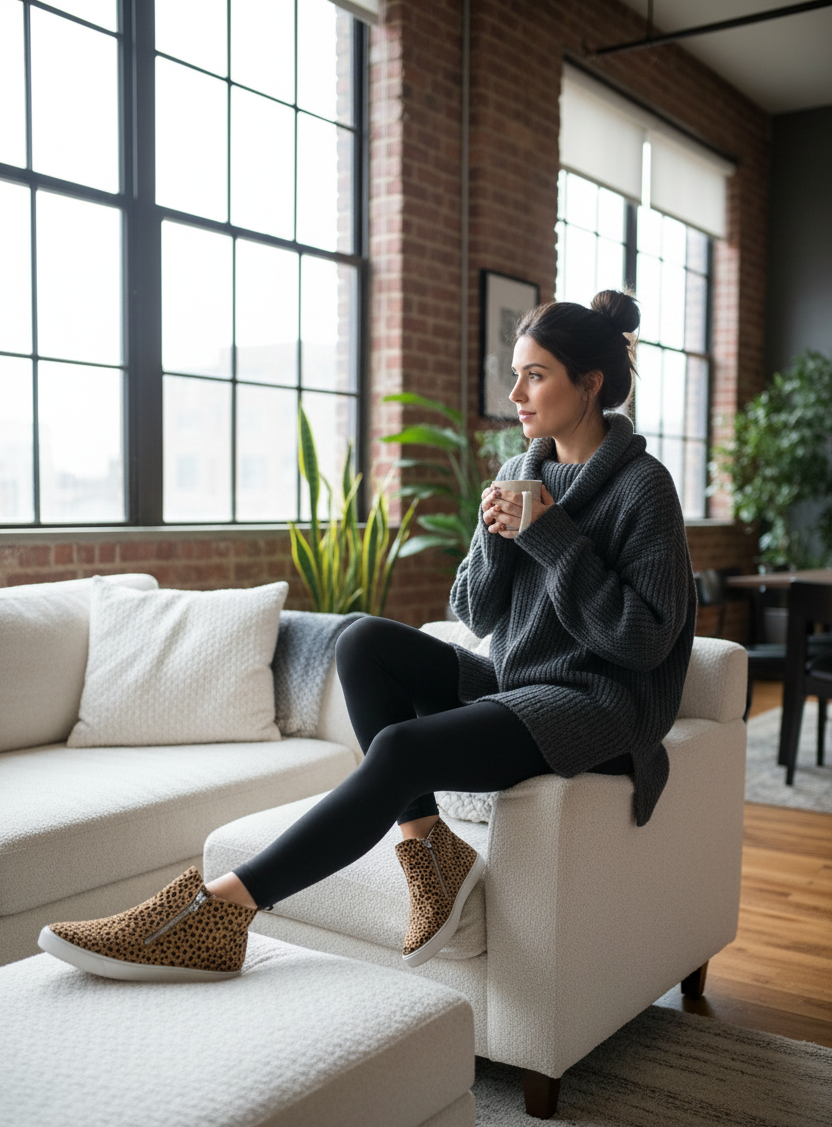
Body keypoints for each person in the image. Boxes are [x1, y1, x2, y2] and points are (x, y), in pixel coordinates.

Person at [38, 289, 697, 983]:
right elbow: (475, 612)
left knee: (403, 748)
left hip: (597, 705)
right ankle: (430, 851)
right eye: (515, 373)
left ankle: (219, 912)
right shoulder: (519, 472)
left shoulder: (643, 488)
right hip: (519, 682)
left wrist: (553, 536)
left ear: (589, 384)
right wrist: (497, 533)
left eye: (535, 375)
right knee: (359, 641)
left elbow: (645, 640)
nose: (515, 393)